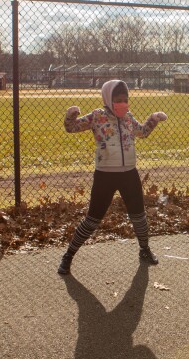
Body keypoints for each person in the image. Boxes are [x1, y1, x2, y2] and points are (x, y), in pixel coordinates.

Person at [58, 80, 167, 275]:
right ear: (108, 99)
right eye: (118, 100)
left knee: (139, 217)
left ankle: (144, 250)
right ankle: (68, 256)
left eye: (125, 100)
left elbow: (142, 132)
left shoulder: (128, 117)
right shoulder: (97, 116)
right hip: (105, 175)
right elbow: (71, 127)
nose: (123, 103)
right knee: (92, 220)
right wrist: (70, 116)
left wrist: (153, 119)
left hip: (129, 174)